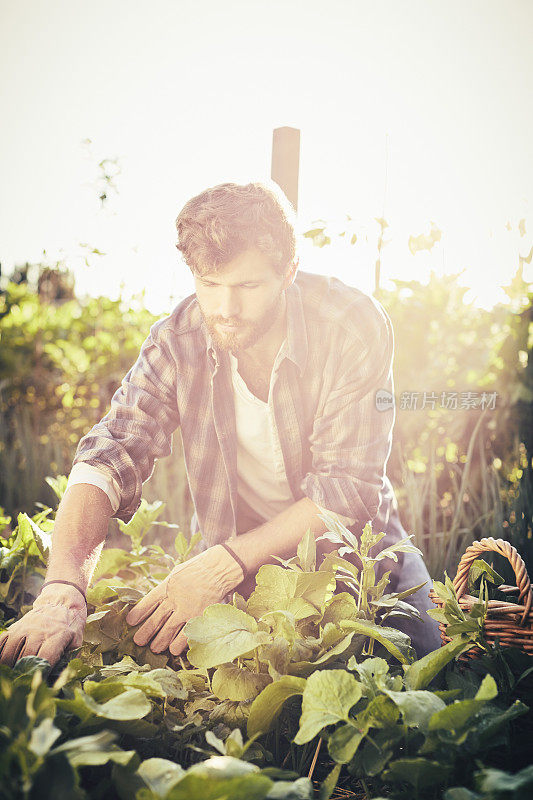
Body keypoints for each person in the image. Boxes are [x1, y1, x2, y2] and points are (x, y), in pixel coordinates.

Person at [0, 181, 441, 668]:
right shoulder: (176, 342)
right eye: (210, 285)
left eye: (248, 286)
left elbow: (346, 496)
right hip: (232, 557)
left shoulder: (350, 326)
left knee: (414, 663)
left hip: (357, 558)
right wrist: (62, 589)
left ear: (288, 271)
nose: (225, 308)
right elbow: (110, 454)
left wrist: (222, 564)